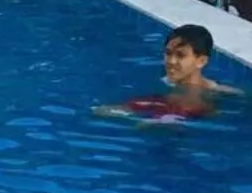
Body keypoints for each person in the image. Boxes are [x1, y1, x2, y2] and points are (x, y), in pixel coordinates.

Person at [96, 24, 235, 123]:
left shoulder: (197, 92)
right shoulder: (167, 81)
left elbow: (185, 111)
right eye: (168, 53)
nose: (171, 61)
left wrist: (160, 120)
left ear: (201, 61)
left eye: (180, 55)